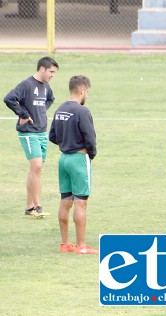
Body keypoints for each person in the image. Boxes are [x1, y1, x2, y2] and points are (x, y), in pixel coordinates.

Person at [4, 56, 59, 218]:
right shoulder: (26, 85)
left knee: (36, 170)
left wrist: (40, 111)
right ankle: (37, 206)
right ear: (42, 68)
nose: (52, 75)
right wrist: (24, 114)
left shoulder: (46, 87)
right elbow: (9, 99)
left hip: (42, 132)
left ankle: (29, 208)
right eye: (51, 71)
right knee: (37, 167)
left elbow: (50, 99)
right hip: (28, 133)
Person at [49, 75, 98, 254]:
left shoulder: (60, 109)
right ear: (82, 90)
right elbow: (90, 139)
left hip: (63, 160)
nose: (87, 96)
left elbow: (52, 136)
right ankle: (82, 246)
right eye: (88, 92)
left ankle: (65, 244)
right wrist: (90, 154)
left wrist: (66, 143)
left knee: (65, 201)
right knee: (80, 203)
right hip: (78, 159)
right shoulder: (82, 112)